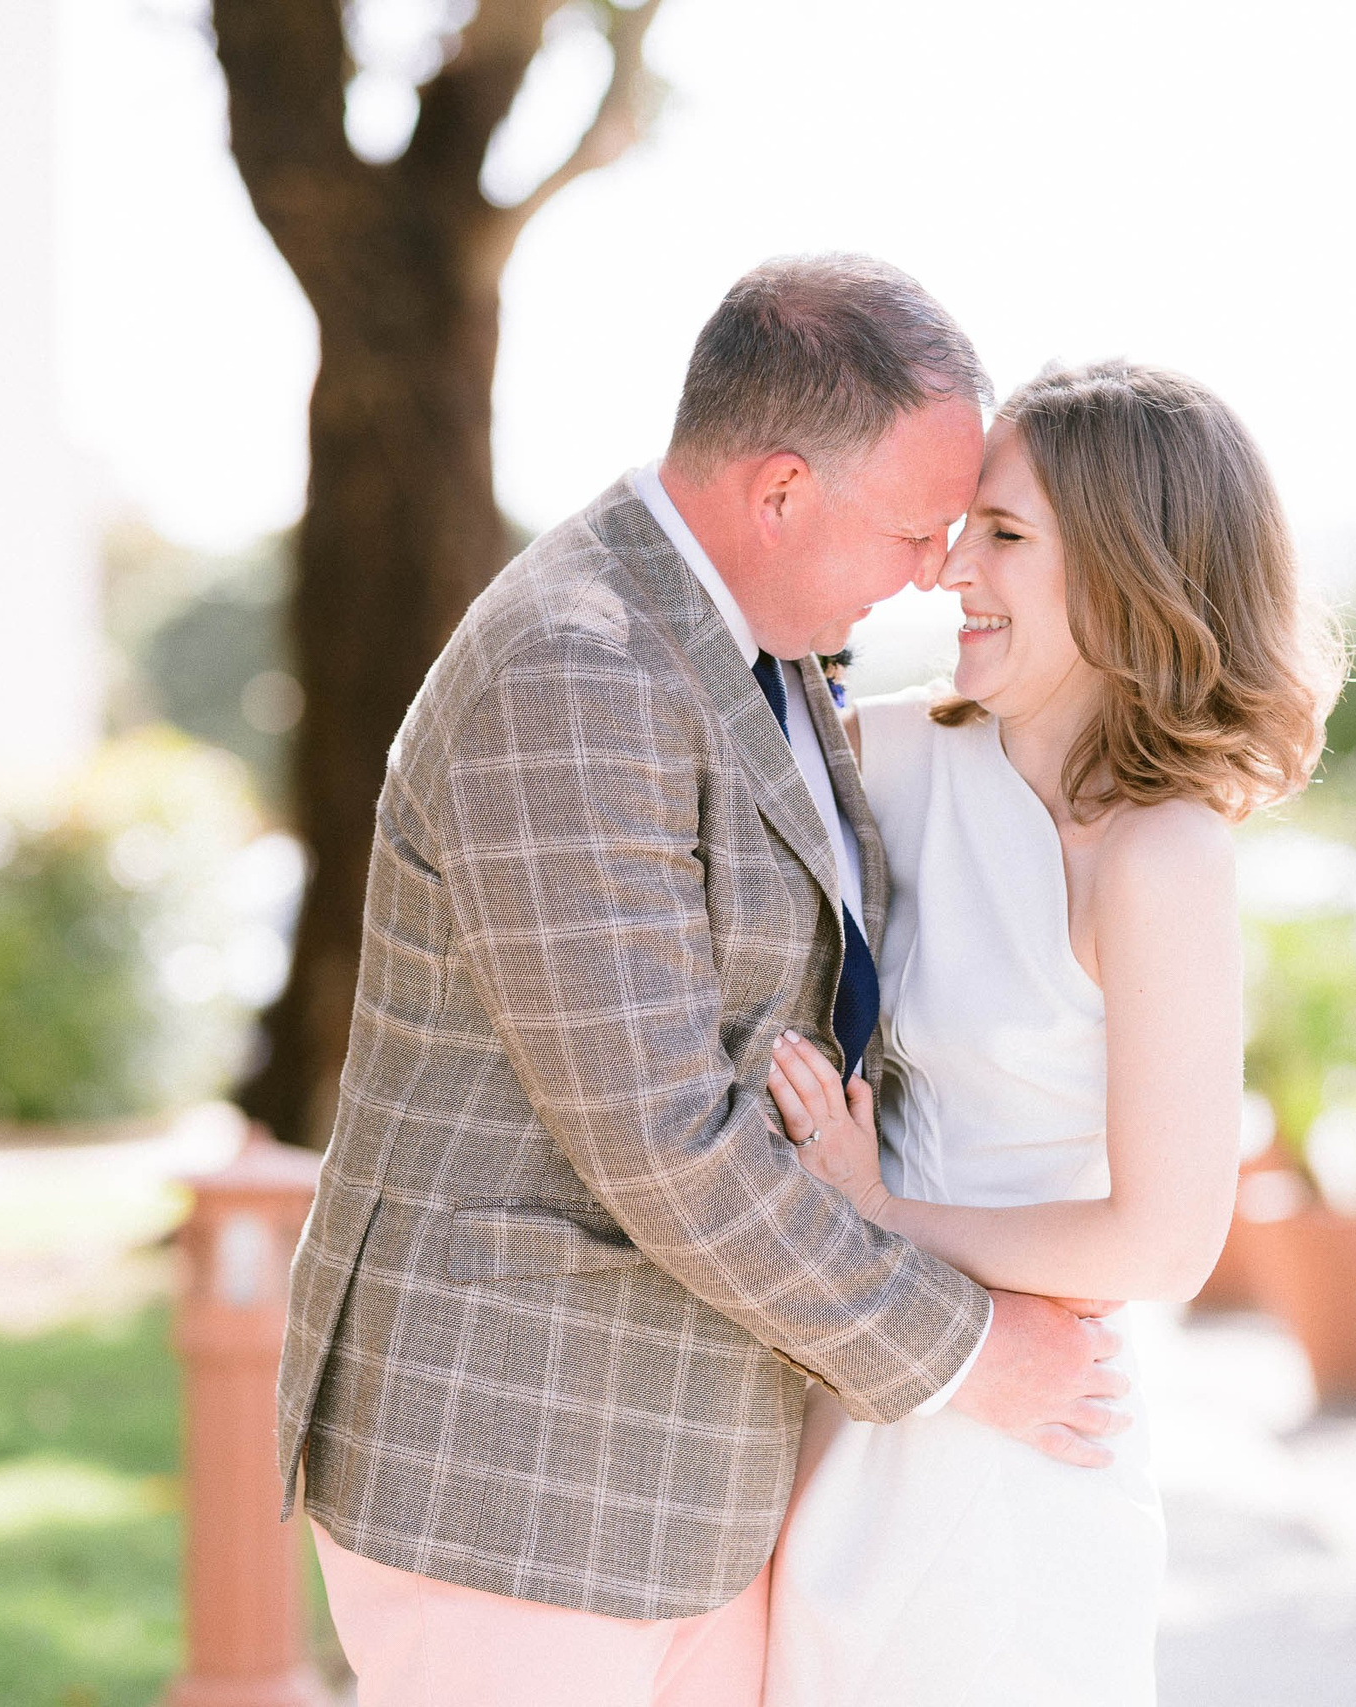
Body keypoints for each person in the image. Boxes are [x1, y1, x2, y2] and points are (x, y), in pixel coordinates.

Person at [273, 255, 1131, 1707]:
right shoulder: (576, 668)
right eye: (917, 528)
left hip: (692, 1487)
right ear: (782, 491)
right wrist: (970, 1354)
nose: (938, 568)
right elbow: (662, 1134)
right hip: (517, 1486)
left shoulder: (764, 646)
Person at [762, 359, 1342, 1706]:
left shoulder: (1160, 855)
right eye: (966, 526)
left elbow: (1166, 1241)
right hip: (854, 1412)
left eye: (1006, 535)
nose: (953, 568)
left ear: (1131, 570)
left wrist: (880, 1215)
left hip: (1025, 1452)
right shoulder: (892, 755)